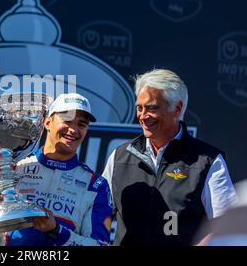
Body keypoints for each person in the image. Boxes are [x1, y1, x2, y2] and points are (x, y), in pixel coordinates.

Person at [102, 69, 238, 246]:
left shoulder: (208, 161)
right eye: (139, 108)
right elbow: (99, 212)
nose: (142, 116)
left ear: (177, 108)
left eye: (152, 107)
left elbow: (226, 225)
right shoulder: (119, 156)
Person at [0, 93, 113, 246]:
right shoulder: (13, 169)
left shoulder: (96, 185)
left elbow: (99, 244)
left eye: (81, 124)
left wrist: (56, 230)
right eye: (67, 120)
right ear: (48, 122)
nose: (73, 129)